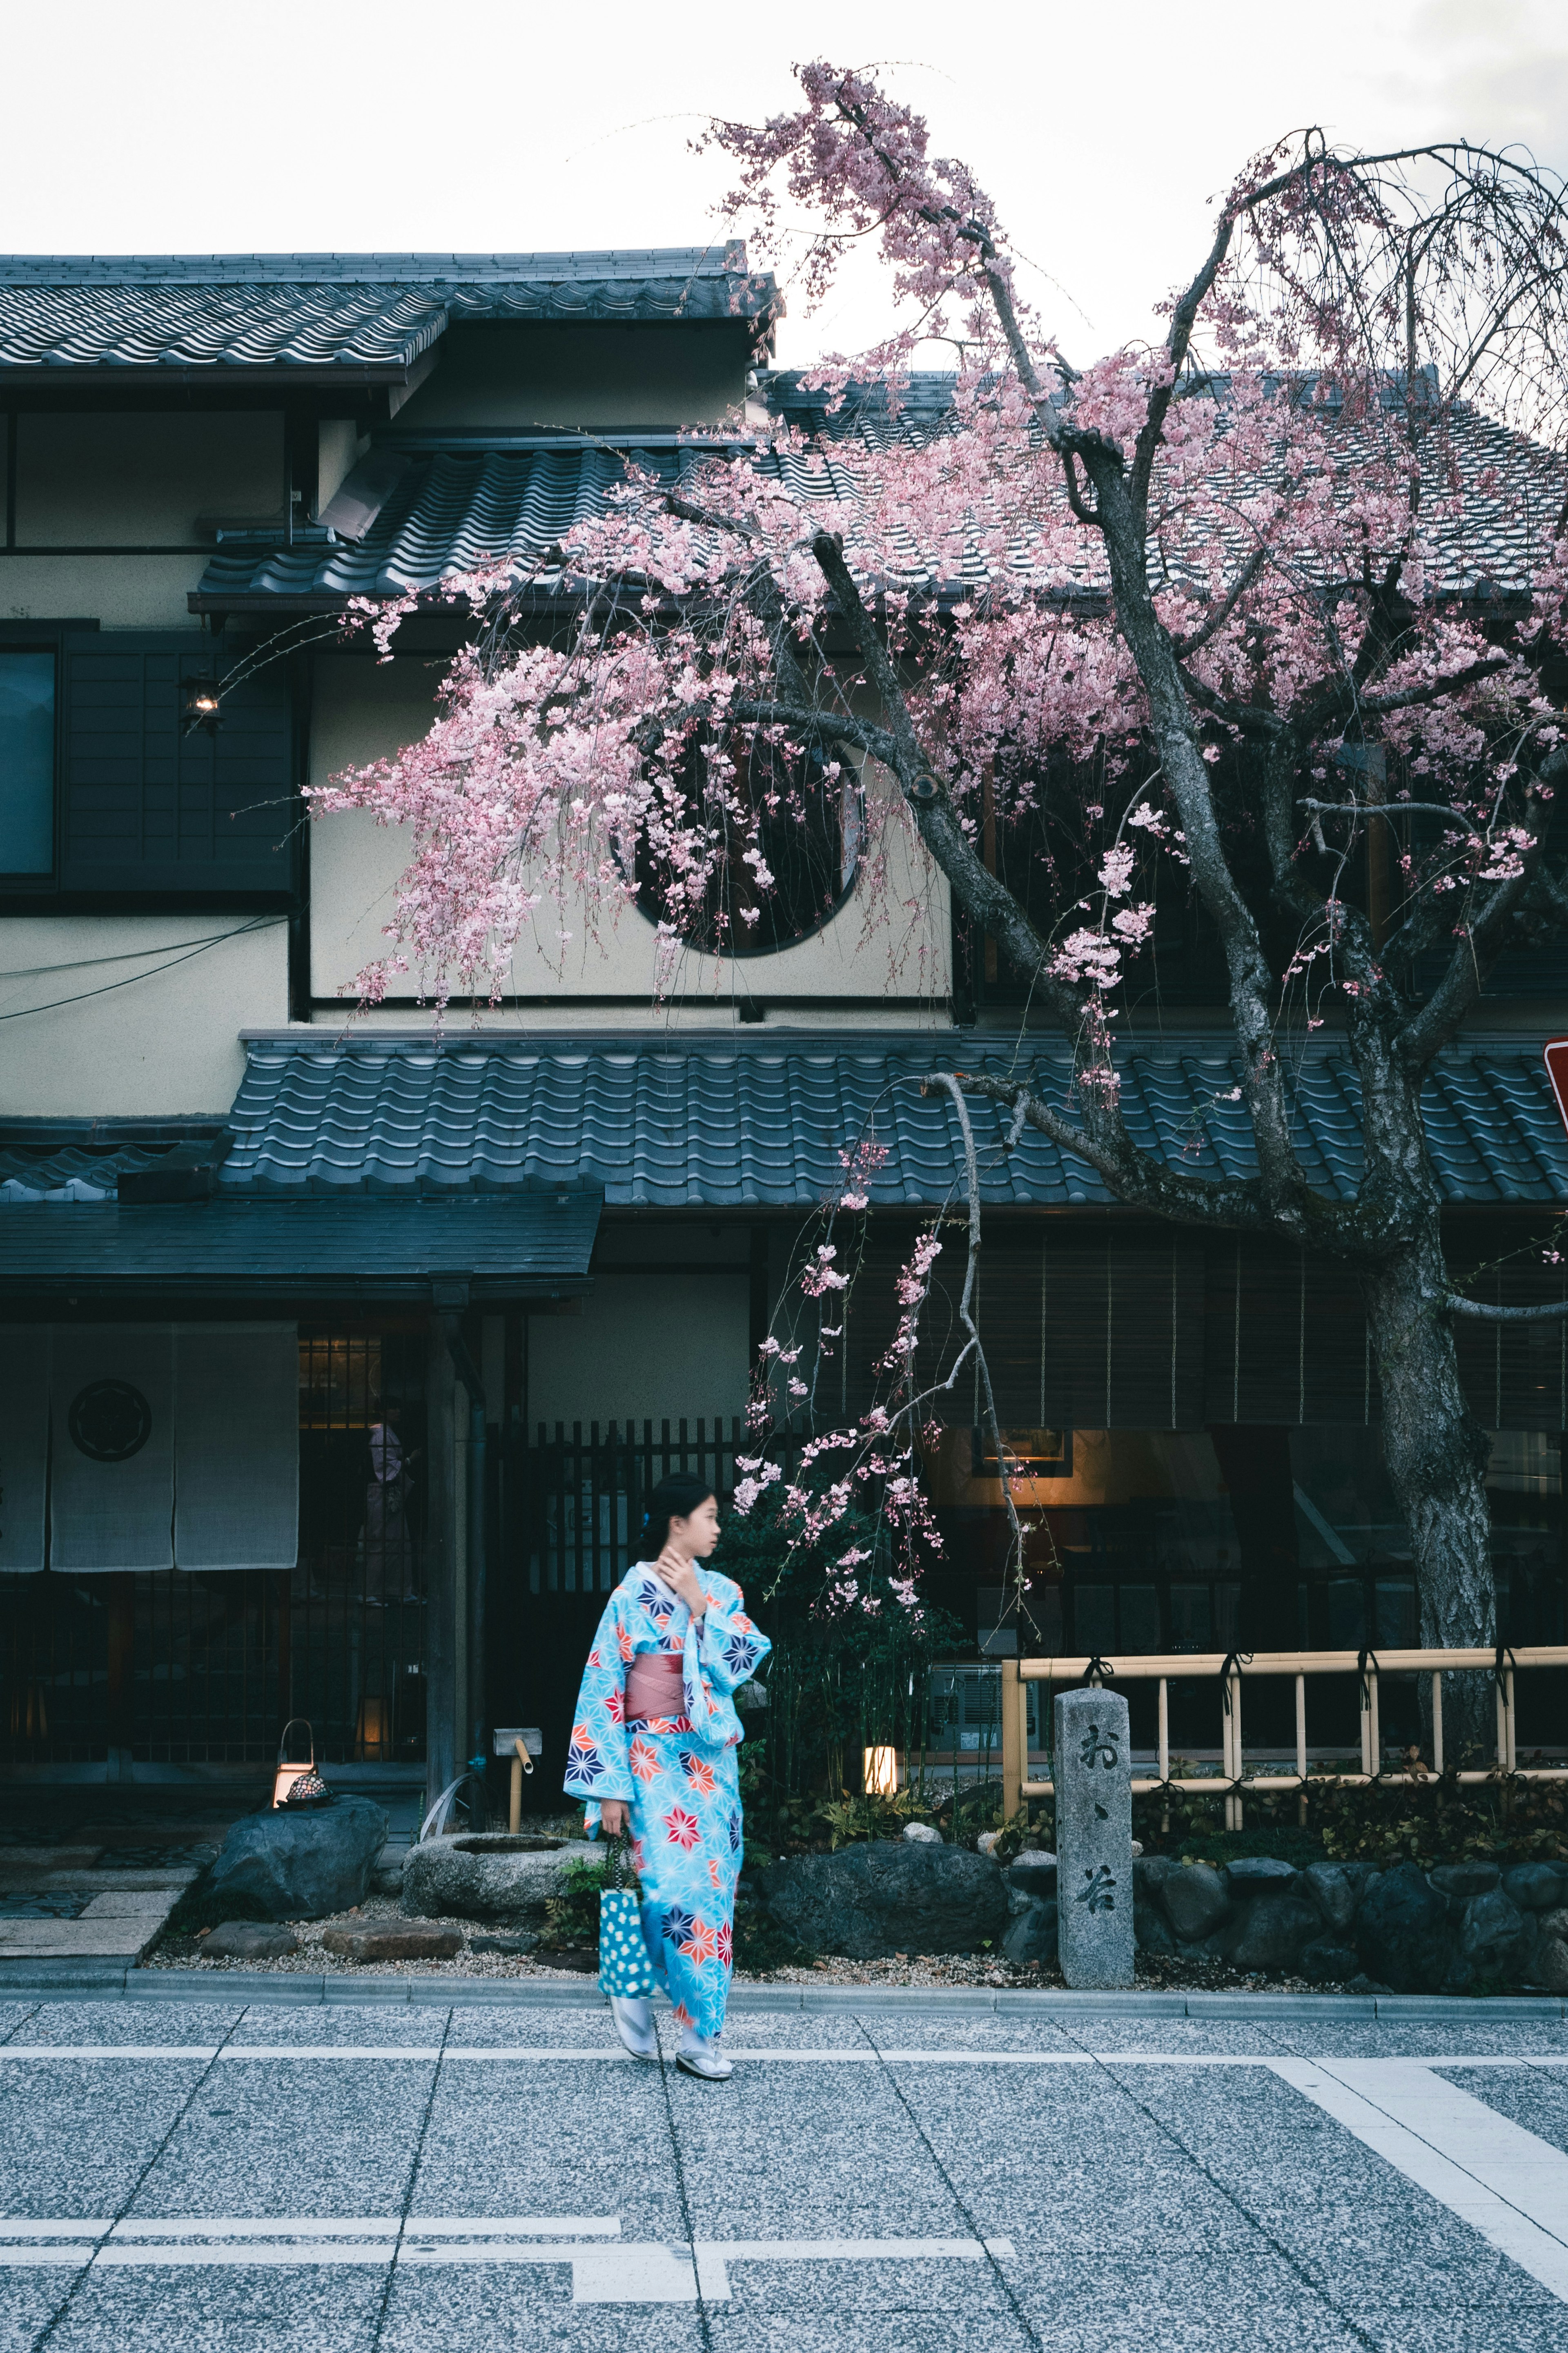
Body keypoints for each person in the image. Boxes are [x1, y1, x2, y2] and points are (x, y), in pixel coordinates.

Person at [564, 1472, 769, 2079]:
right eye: (709, 1515)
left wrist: (703, 1609)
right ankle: (633, 1988)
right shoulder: (629, 1597)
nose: (718, 1526)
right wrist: (608, 1788)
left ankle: (701, 2037)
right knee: (666, 1893)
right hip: (651, 1763)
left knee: (709, 1902)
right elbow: (604, 1686)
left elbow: (742, 1662)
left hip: (709, 1768)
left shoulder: (722, 1591)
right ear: (677, 1523)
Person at [364, 1401, 421, 1603]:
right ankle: (370, 1591)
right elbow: (384, 1468)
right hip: (383, 1493)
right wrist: (410, 1460)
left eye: (399, 1407)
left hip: (388, 1492)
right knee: (383, 1542)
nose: (398, 1411)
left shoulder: (384, 1433)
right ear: (382, 1412)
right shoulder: (380, 1435)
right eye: (393, 1408)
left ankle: (397, 1589)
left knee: (397, 1541)